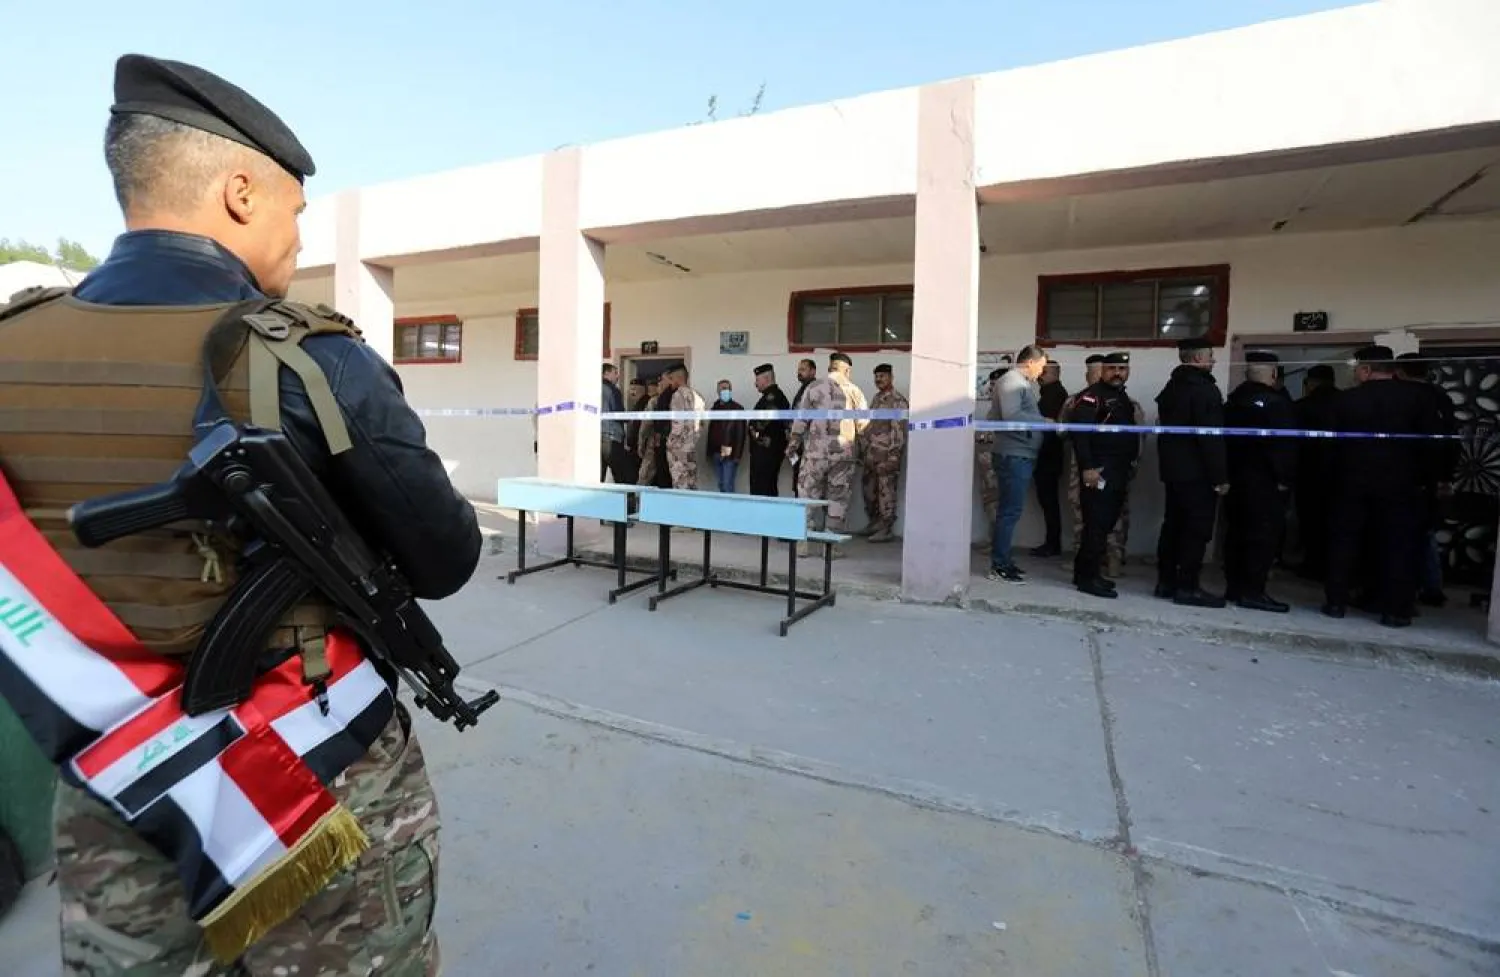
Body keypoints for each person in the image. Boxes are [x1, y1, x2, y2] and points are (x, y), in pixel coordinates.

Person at [0, 54, 480, 976]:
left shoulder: (13, 347)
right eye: (297, 213)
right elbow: (446, 558)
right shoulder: (307, 358)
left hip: (118, 782)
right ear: (240, 191)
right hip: (310, 771)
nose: (299, 241)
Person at [1323, 346, 1446, 627]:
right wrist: (1430, 480)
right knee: (1398, 547)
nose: (1354, 373)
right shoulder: (1418, 399)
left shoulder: (1345, 400)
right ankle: (1394, 610)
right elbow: (1431, 445)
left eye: (1356, 368)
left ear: (1366, 370)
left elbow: (1328, 446)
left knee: (1344, 543)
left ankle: (1335, 603)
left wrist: (1331, 479)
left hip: (1350, 483)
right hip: (1401, 485)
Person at [1154, 337, 1229, 607]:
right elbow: (1211, 438)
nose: (1214, 360)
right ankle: (1187, 587)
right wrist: (1220, 477)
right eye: (1210, 355)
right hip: (1197, 473)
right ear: (1198, 358)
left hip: (1174, 471)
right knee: (1195, 530)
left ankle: (1166, 582)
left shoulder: (1172, 386)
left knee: (1173, 525)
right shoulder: (1204, 390)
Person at [1222, 351, 1298, 612]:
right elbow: (1283, 447)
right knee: (1262, 538)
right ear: (1274, 374)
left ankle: (1234, 587)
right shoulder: (1277, 404)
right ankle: (1253, 591)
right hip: (1265, 483)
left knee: (1236, 534)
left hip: (1236, 480)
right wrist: (1284, 478)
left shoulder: (1232, 402)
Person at [1068, 352, 1139, 598]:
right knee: (1096, 524)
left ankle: (1086, 573)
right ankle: (1088, 578)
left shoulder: (1121, 398)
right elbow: (1080, 433)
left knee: (1104, 523)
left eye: (1123, 368)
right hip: (1099, 469)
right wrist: (1087, 467)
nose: (1118, 373)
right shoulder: (1092, 397)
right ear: (1102, 371)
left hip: (1118, 469)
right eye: (1112, 369)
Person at [787, 352, 869, 556]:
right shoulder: (854, 391)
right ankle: (830, 547)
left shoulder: (813, 388)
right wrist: (864, 450)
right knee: (837, 499)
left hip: (814, 454)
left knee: (806, 496)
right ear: (847, 370)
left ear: (830, 367)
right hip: (843, 455)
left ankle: (802, 544)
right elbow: (864, 425)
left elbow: (800, 420)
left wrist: (793, 443)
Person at [1396, 352, 1460, 609]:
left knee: (1402, 536)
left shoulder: (1405, 397)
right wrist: (1446, 477)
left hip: (1405, 476)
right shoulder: (1440, 398)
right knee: (1425, 533)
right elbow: (1450, 441)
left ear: (1399, 371)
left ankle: (1406, 590)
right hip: (1430, 478)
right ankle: (1432, 587)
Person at [988, 346, 1049, 582]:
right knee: (1009, 512)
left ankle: (1003, 560)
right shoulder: (1012, 382)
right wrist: (1043, 421)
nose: (1041, 372)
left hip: (1020, 454)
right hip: (1014, 455)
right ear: (1031, 362)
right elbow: (1012, 416)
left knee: (1010, 511)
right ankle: (1000, 564)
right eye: (1041, 366)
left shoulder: (1019, 383)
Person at [1293, 364, 1340, 581]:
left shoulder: (1302, 407)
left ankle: (1312, 564)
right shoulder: (1346, 403)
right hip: (1339, 475)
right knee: (1336, 525)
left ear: (1310, 383)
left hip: (1308, 474)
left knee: (1310, 523)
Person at [858, 363, 909, 542]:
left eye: (883, 376)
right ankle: (875, 523)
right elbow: (870, 426)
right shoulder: (876, 399)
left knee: (886, 493)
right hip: (871, 456)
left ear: (891, 377)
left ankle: (886, 528)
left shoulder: (898, 401)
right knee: (869, 492)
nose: (879, 379)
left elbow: (899, 432)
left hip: (886, 456)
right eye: (877, 376)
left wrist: (894, 457)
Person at [1063, 354, 1106, 555]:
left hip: (1084, 464)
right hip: (1106, 464)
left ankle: (1083, 558)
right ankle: (1110, 559)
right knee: (1109, 509)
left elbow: (1061, 431)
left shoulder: (1075, 401)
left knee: (1084, 508)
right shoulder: (1124, 400)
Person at [1031, 361, 1068, 558]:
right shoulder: (1050, 394)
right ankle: (1052, 542)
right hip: (1048, 456)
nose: (1040, 376)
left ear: (1055, 374)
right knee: (1048, 502)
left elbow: (1047, 430)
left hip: (1048, 457)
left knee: (1049, 502)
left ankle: (1052, 544)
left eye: (1045, 372)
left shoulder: (1054, 395)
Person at [747, 363, 791, 496]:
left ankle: (764, 516)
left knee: (763, 488)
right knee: (764, 487)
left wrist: (752, 428)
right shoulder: (770, 396)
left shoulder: (773, 397)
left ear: (766, 379)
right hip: (765, 451)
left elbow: (761, 424)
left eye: (757, 380)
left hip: (767, 451)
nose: (755, 384)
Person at [706, 379, 747, 492]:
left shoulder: (737, 408)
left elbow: (741, 434)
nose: (725, 391)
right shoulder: (715, 408)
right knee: (721, 484)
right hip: (715, 452)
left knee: (727, 484)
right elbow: (712, 430)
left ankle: (730, 508)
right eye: (722, 388)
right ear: (717, 391)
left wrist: (737, 456)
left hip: (729, 453)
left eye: (727, 388)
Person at [600, 363, 635, 484]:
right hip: (612, 438)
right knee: (625, 476)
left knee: (599, 476)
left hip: (597, 438)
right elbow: (619, 413)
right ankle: (628, 501)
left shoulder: (593, 389)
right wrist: (631, 417)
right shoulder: (612, 390)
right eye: (615, 373)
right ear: (606, 374)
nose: (618, 376)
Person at [789, 358, 818, 496]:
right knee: (798, 482)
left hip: (808, 444)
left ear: (813, 371)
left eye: (803, 369)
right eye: (798, 369)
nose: (799, 372)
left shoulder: (814, 389)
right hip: (799, 445)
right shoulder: (803, 389)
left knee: (805, 485)